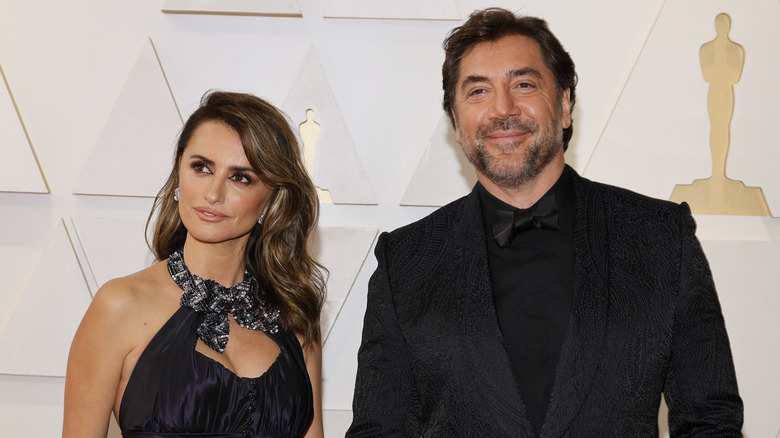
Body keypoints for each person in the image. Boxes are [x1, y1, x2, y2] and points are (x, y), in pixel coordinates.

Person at [348, 8, 743, 437]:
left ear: (565, 104)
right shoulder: (405, 260)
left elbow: (710, 420)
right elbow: (378, 430)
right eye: (478, 91)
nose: (503, 108)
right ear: (456, 122)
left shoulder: (661, 236)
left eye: (523, 84)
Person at [63, 91, 325, 437]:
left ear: (270, 201)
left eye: (240, 177)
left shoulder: (294, 316)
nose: (213, 194)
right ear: (179, 175)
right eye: (201, 167)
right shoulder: (120, 305)